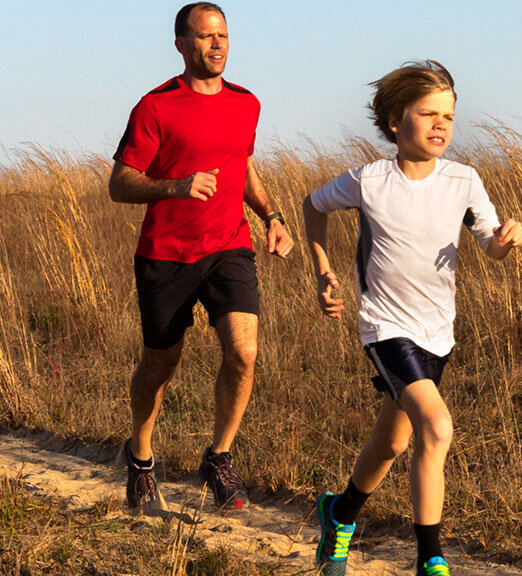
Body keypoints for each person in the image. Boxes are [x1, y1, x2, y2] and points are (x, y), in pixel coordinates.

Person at [303, 60, 522, 576]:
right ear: (394, 121)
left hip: (437, 332)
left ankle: (338, 513)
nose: (441, 124)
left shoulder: (464, 180)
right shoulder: (369, 180)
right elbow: (313, 205)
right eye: (428, 114)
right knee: (437, 425)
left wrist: (506, 242)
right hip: (385, 328)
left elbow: (489, 244)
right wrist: (323, 271)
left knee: (394, 440)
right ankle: (431, 559)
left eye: (448, 115)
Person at [108, 2, 294, 513]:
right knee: (160, 364)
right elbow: (119, 183)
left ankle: (218, 456)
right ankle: (141, 459)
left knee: (244, 352)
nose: (217, 45)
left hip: (229, 245)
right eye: (206, 37)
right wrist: (175, 186)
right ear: (181, 44)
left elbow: (244, 166)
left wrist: (271, 216)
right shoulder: (155, 106)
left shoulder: (246, 103)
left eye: (223, 36)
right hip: (165, 254)